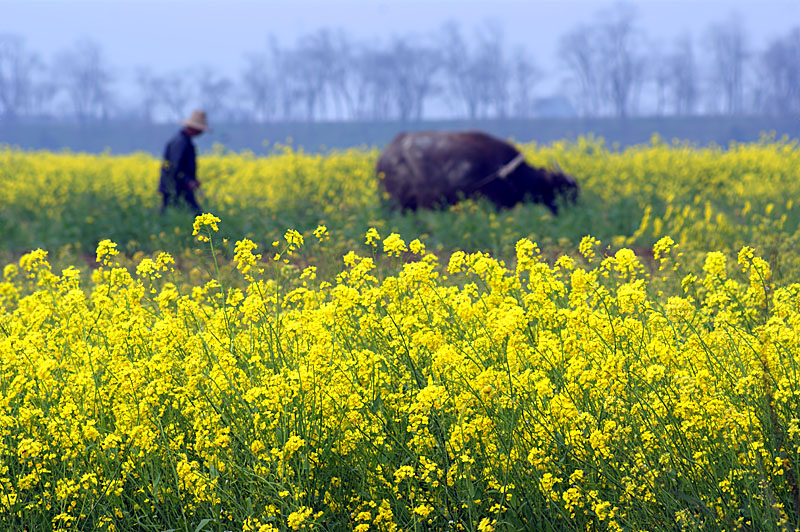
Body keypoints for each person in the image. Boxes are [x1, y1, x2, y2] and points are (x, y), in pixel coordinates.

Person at [159, 109, 209, 215]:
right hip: (175, 187)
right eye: (200, 130)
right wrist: (188, 181)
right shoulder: (181, 142)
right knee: (196, 215)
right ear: (194, 128)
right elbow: (175, 166)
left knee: (169, 215)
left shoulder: (183, 140)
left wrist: (193, 180)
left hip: (177, 186)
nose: (201, 133)